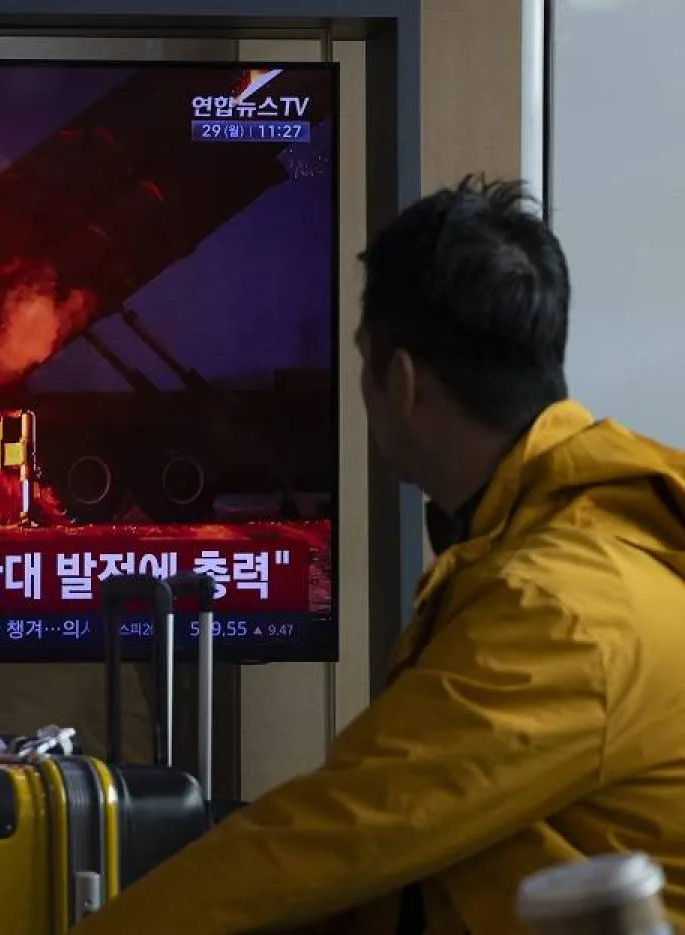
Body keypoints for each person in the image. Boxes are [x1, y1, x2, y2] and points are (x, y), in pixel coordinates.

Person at [74, 175, 685, 935]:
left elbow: (336, 832)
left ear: (399, 381)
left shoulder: (561, 608)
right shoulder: (549, 540)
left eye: (363, 364)